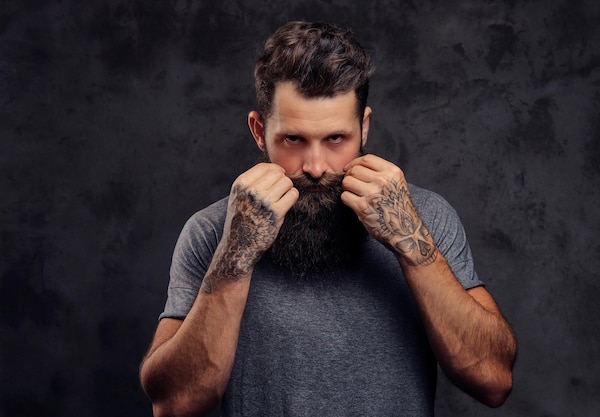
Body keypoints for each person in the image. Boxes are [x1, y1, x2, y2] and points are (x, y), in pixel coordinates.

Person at [139, 20, 517, 417]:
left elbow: (493, 381)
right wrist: (235, 253)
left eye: (336, 138)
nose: (316, 167)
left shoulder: (426, 217)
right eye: (293, 139)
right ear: (259, 131)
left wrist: (411, 241)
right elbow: (173, 404)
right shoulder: (211, 231)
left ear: (363, 127)